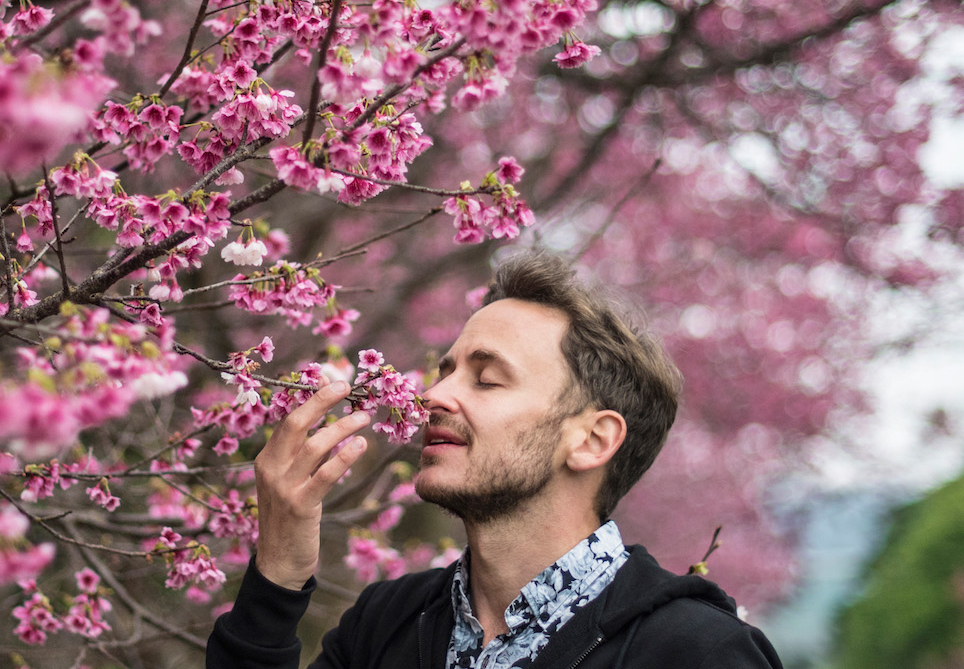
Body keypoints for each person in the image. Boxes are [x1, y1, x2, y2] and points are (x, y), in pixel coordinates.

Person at [207, 252, 782, 669]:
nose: (433, 397)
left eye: (486, 380)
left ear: (591, 441)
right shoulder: (388, 622)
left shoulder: (697, 653)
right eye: (445, 371)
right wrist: (278, 576)